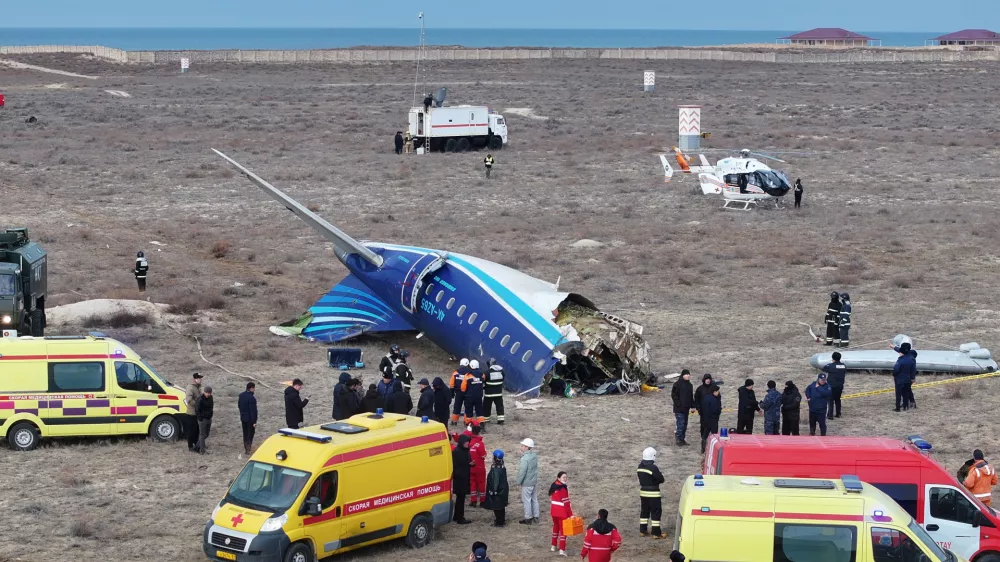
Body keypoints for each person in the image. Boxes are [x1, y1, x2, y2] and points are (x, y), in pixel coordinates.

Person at [637, 447, 665, 539]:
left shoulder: (640, 467)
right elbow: (661, 479)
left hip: (643, 493)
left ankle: (642, 530)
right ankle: (656, 533)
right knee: (655, 512)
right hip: (653, 493)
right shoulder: (653, 468)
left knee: (644, 511)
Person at [549, 471, 573, 556]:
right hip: (562, 513)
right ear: (559, 478)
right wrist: (571, 515)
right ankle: (562, 549)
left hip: (554, 512)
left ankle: (553, 546)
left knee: (555, 528)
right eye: (564, 477)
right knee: (563, 531)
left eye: (566, 477)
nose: (565, 479)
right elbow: (566, 502)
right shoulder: (562, 488)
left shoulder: (554, 485)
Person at [483, 449, 510, 527]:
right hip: (503, 489)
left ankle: (499, 522)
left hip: (497, 491)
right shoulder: (502, 465)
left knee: (497, 507)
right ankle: (501, 520)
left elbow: (495, 480)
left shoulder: (495, 468)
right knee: (501, 506)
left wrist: (493, 491)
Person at [517, 437, 540, 525]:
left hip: (527, 482)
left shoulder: (525, 458)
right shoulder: (534, 456)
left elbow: (522, 472)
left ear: (527, 447)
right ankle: (536, 516)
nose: (521, 447)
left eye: (522, 446)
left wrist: (518, 482)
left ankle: (528, 518)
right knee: (534, 499)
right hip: (533, 481)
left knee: (526, 500)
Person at [453, 434, 473, 524]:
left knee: (460, 499)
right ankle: (460, 518)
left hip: (463, 477)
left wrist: (470, 464)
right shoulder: (457, 452)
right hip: (460, 479)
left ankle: (457, 516)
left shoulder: (464, 451)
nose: (467, 444)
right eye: (466, 442)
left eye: (468, 442)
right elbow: (457, 466)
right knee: (460, 498)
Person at [671, 369, 695, 446]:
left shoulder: (690, 385)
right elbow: (674, 395)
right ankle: (678, 439)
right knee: (680, 424)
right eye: (686, 374)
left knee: (684, 424)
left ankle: (682, 439)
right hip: (679, 409)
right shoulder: (677, 384)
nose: (688, 375)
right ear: (682, 375)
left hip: (686, 409)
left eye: (689, 374)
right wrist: (679, 404)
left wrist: (693, 406)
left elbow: (691, 397)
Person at [893, 342, 917, 412]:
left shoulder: (900, 360)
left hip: (899, 379)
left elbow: (896, 369)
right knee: (906, 392)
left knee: (898, 394)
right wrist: (912, 378)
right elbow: (913, 370)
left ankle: (898, 408)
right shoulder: (911, 359)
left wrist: (894, 374)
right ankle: (905, 406)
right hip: (908, 379)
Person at [822, 351, 848, 419]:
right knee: (838, 399)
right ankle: (838, 413)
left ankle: (830, 415)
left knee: (830, 400)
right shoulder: (843, 366)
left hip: (831, 386)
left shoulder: (830, 366)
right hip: (840, 385)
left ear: (833, 358)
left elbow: (824, 368)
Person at [183, 373, 204, 451]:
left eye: (200, 378)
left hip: (197, 413)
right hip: (191, 413)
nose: (200, 380)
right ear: (194, 379)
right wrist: (198, 405)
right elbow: (189, 400)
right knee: (191, 431)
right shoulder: (190, 387)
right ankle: (190, 446)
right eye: (198, 378)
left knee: (197, 430)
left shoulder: (198, 387)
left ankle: (196, 444)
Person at [469, 424, 488, 507]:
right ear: (479, 432)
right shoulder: (480, 444)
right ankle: (482, 501)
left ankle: (473, 501)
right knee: (481, 484)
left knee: (472, 484)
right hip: (479, 468)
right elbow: (483, 455)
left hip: (470, 467)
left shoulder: (468, 442)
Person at [462, 359, 486, 426]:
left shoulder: (467, 375)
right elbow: (483, 382)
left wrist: (463, 392)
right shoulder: (482, 375)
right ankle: (482, 424)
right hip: (479, 396)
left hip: (469, 396)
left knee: (469, 411)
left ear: (471, 366)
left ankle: (468, 424)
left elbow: (463, 387)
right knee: (479, 411)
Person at [699, 385, 722, 454]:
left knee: (705, 435)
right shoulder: (714, 400)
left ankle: (703, 449)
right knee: (714, 435)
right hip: (713, 419)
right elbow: (715, 410)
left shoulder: (705, 397)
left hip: (706, 419)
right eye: (717, 391)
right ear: (714, 392)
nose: (718, 393)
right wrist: (719, 409)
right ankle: (713, 450)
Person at [483, 358, 505, 426]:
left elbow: (483, 381)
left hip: (489, 394)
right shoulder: (501, 371)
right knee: (499, 406)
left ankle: (486, 419)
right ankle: (501, 420)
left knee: (486, 406)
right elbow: (503, 378)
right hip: (498, 393)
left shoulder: (487, 372)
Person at [238, 382, 258, 455]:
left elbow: (239, 406)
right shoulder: (252, 398)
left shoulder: (241, 395)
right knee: (250, 434)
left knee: (245, 433)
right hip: (250, 419)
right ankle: (248, 449)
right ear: (251, 388)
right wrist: (254, 422)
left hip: (243, 417)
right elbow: (253, 411)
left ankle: (246, 448)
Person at [451, 358, 470, 425]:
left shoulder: (456, 372)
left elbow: (452, 384)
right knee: (467, 407)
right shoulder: (469, 373)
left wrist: (452, 392)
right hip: (467, 392)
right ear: (468, 364)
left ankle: (454, 421)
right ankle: (466, 422)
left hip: (458, 393)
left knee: (457, 406)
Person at [195, 385, 214, 454]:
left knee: (206, 434)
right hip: (202, 419)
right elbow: (197, 410)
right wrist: (200, 419)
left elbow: (211, 407)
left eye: (209, 393)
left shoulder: (210, 398)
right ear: (204, 392)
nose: (208, 394)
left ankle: (197, 447)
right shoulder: (200, 399)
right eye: (207, 393)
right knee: (202, 435)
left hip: (209, 418)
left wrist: (210, 415)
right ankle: (202, 450)